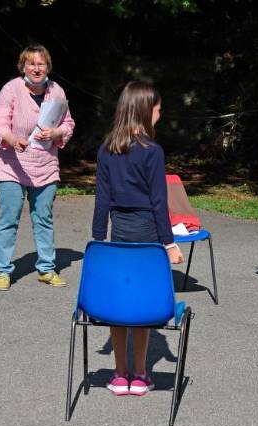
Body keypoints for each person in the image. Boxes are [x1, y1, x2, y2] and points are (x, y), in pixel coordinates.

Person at [91, 81, 184, 396]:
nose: (160, 114)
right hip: (147, 235)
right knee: (142, 306)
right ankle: (141, 374)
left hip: (117, 235)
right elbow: (159, 201)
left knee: (118, 304)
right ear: (145, 111)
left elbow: (101, 200)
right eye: (158, 109)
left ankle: (119, 374)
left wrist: (97, 241)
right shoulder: (153, 151)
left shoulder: (106, 149)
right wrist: (169, 243)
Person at [0, 43, 75, 291]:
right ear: (23, 66)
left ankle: (47, 268)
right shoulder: (11, 89)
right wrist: (12, 139)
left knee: (44, 218)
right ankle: (2, 271)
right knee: (9, 218)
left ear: (48, 66)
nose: (37, 68)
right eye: (32, 63)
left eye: (42, 64)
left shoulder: (57, 91)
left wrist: (57, 131)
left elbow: (68, 124)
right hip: (11, 163)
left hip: (45, 164)